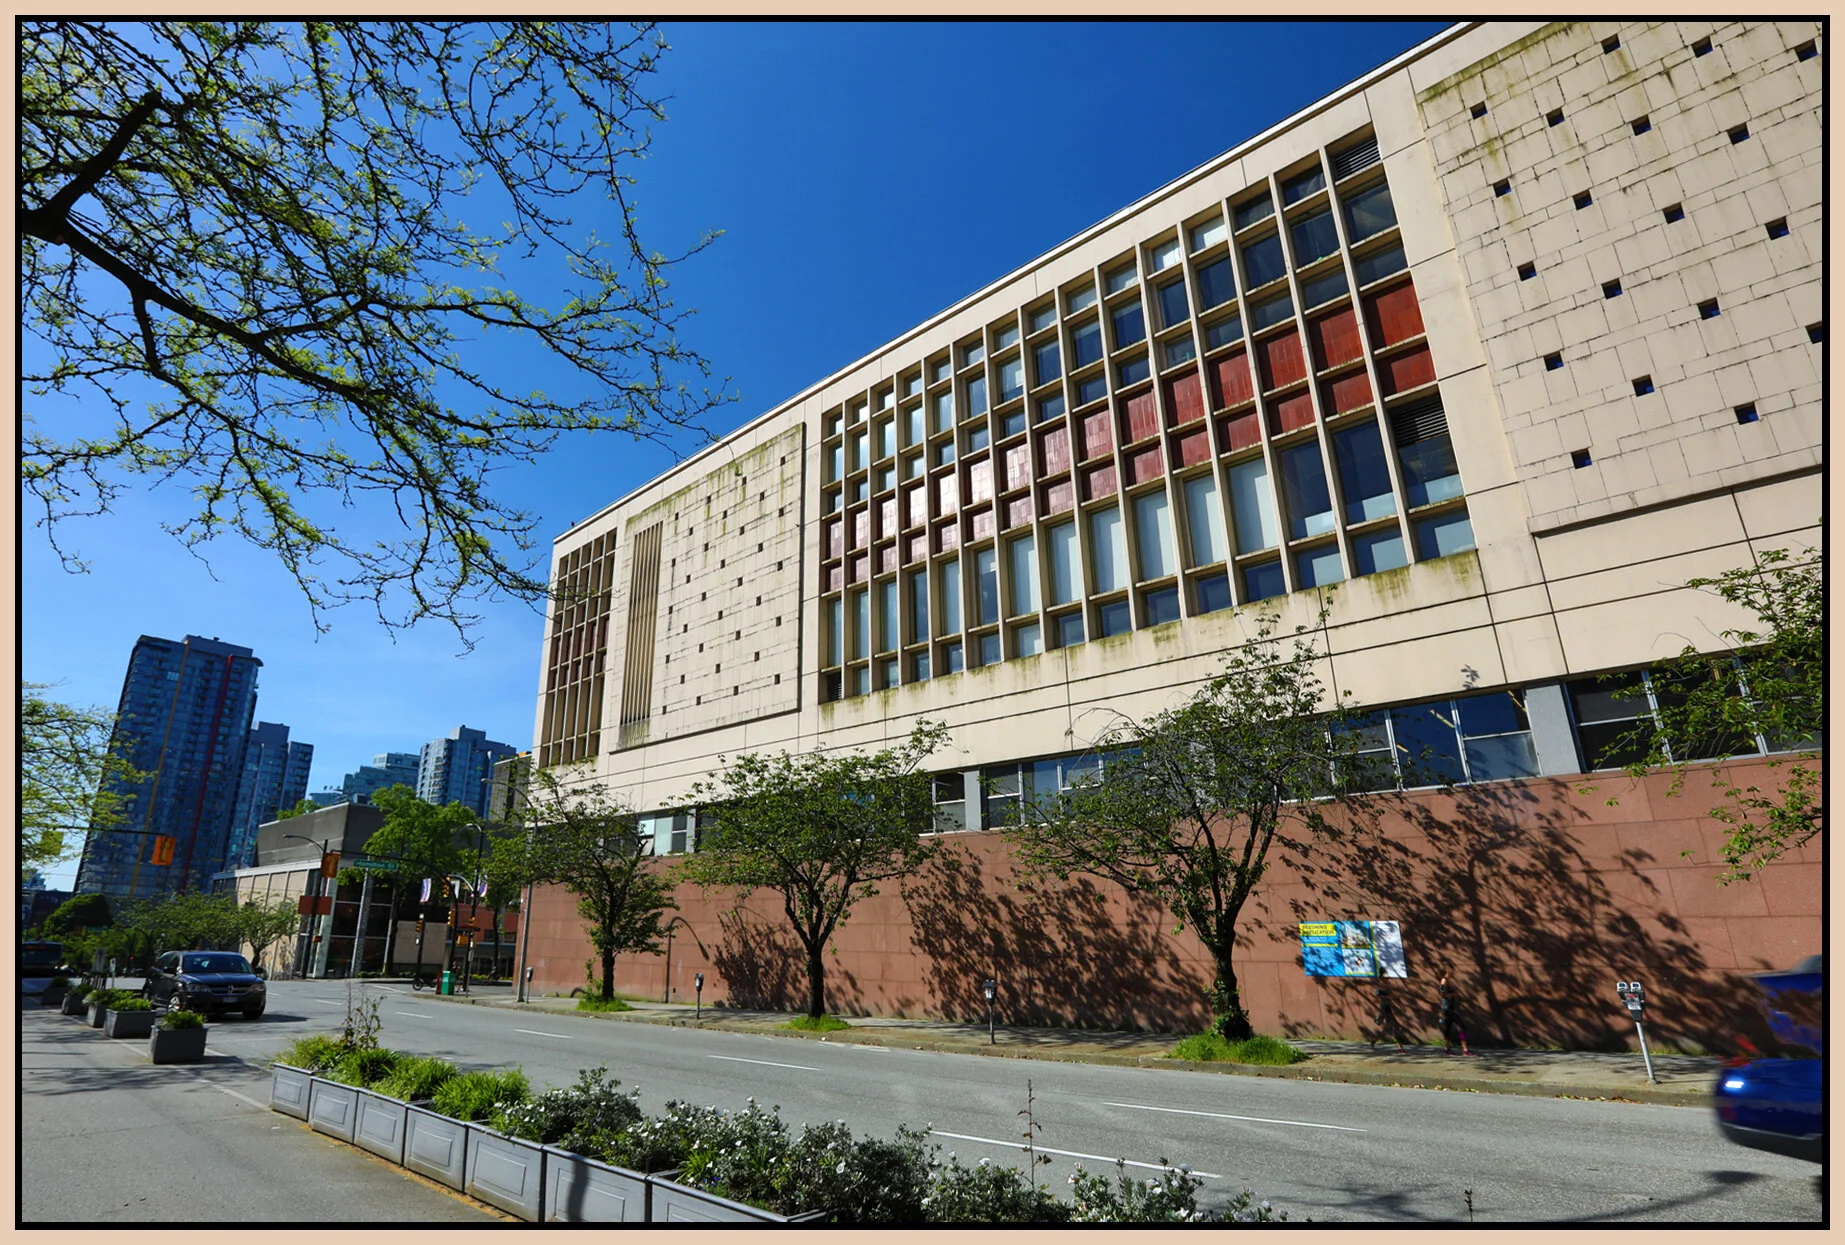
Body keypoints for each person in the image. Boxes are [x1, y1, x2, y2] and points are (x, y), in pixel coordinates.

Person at [1438, 973, 1472, 1055]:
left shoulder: (1447, 981)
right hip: (1448, 1009)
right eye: (1452, 970)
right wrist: (1453, 994)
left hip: (1448, 1009)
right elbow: (1442, 993)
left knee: (1447, 1029)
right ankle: (1465, 1050)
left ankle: (1446, 1049)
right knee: (1462, 1027)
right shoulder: (1444, 980)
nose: (1454, 972)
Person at [1371, 980, 1409, 1052]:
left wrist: (1400, 1005)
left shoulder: (1388, 990)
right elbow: (1378, 994)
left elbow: (1394, 999)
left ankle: (1375, 1039)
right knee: (1395, 1029)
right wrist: (1389, 997)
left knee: (1388, 1029)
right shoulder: (1381, 987)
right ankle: (1400, 1049)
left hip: (1389, 1012)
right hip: (1385, 1011)